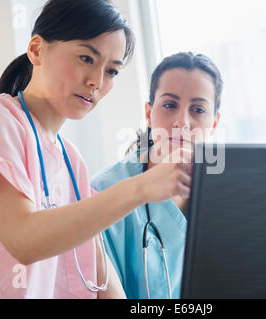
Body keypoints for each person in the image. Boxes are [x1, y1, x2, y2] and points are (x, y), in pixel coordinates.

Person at [0, 0, 192, 299]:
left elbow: (101, 280)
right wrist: (140, 188)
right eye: (86, 58)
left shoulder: (71, 161)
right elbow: (23, 239)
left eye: (112, 71)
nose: (96, 82)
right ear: (37, 50)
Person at [91, 52, 223, 298]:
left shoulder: (231, 195)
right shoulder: (102, 192)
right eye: (170, 105)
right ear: (149, 113)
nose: (182, 122)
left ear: (214, 123)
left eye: (198, 109)